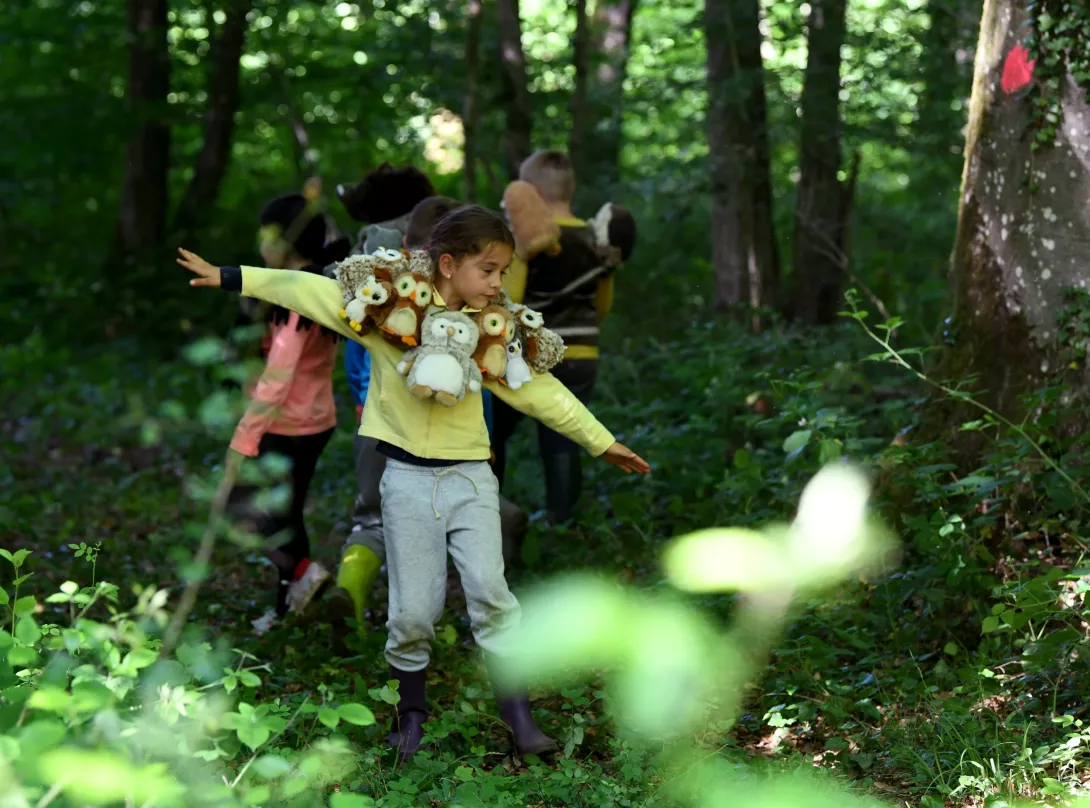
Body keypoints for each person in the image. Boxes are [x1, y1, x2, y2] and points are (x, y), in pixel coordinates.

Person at [177, 204, 650, 762]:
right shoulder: (387, 311)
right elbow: (308, 290)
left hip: (471, 479)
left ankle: (521, 721)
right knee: (412, 612)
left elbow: (538, 391)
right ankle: (411, 717)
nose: (499, 283)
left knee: (492, 597)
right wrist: (233, 277)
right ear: (447, 264)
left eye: (502, 271)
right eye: (490, 270)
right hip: (404, 481)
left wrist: (601, 441)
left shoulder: (488, 329)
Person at [328, 194, 529, 655]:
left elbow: (356, 360)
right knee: (447, 526)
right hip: (453, 446)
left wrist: (365, 406)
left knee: (375, 523)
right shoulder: (466, 311)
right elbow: (487, 385)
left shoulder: (384, 296)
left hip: (375, 429)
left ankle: (353, 594)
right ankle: (441, 621)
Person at [224, 193, 351, 635]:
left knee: (242, 508)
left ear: (281, 240)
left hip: (287, 426)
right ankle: (286, 605)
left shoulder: (295, 298)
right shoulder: (316, 287)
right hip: (316, 420)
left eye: (265, 234)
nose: (260, 243)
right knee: (286, 515)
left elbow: (277, 377)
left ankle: (303, 576)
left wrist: (245, 436)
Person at [492, 150, 623, 526]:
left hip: (531, 356)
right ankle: (561, 524)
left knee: (490, 431)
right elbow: (601, 307)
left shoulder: (530, 241)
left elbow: (509, 300)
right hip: (583, 355)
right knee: (562, 439)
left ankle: (488, 514)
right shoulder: (594, 237)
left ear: (528, 192)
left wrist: (516, 252)